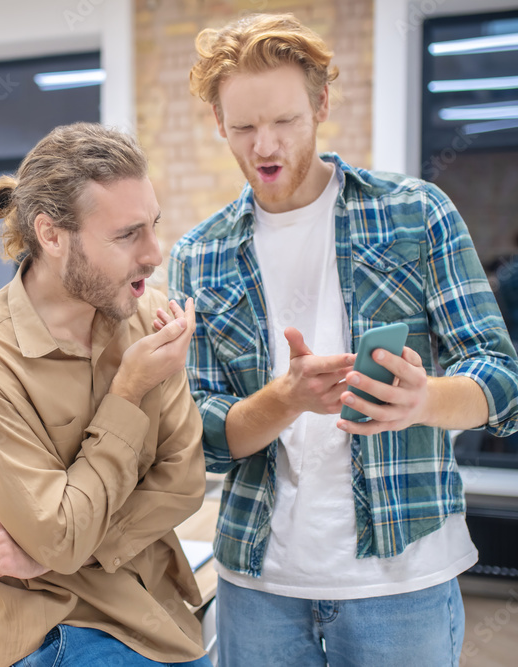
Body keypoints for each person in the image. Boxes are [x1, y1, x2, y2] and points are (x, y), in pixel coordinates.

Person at [166, 13, 518, 666]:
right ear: (219, 123)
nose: (263, 145)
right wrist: (285, 398)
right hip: (259, 584)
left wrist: (424, 399)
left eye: (284, 121)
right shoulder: (199, 255)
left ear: (321, 104)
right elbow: (202, 437)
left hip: (402, 581)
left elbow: (501, 377)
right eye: (242, 127)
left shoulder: (416, 213)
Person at [0, 123, 210, 667]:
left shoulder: (146, 313)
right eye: (127, 234)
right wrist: (128, 391)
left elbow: (184, 482)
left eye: (153, 226)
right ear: (52, 235)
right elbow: (60, 536)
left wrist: (60, 552)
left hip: (164, 617)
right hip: (63, 628)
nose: (156, 253)